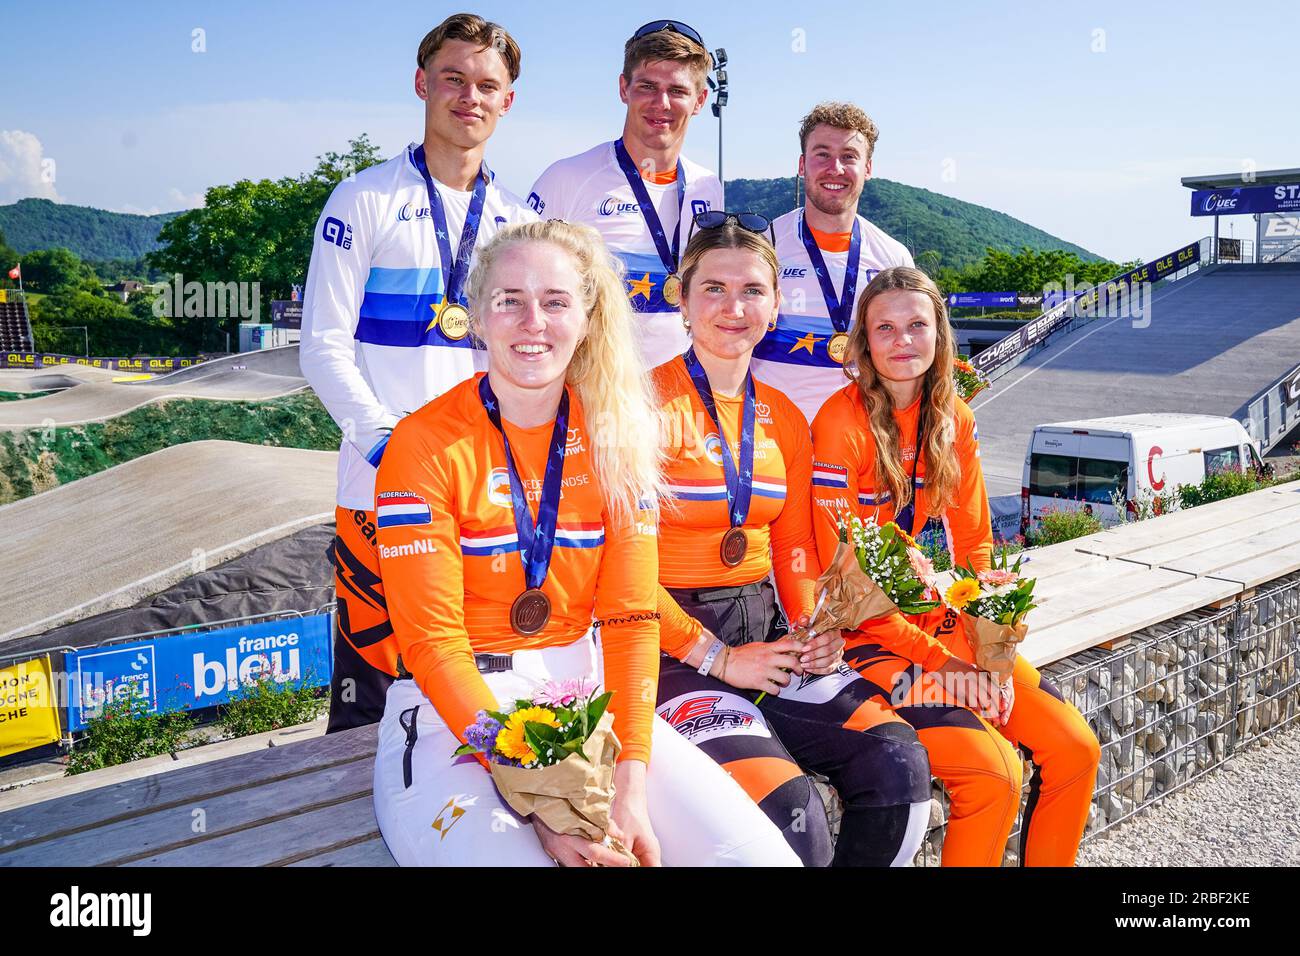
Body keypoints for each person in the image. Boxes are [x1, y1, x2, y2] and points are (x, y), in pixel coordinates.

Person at [370, 220, 801, 866]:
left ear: (586, 316)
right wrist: (542, 794)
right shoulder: (422, 445)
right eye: (509, 299)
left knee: (761, 861)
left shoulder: (617, 438)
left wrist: (627, 781)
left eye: (555, 301)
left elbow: (630, 620)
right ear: (478, 317)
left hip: (588, 707)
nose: (532, 321)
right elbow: (433, 647)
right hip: (453, 728)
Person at [652, 215, 934, 867]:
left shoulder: (783, 416)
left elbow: (795, 552)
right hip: (672, 648)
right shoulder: (637, 406)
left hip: (768, 632)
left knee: (899, 765)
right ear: (682, 298)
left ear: (776, 305)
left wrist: (813, 622)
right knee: (790, 814)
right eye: (713, 289)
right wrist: (719, 659)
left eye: (752, 290)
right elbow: (617, 573)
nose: (733, 307)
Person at [811, 266, 1101, 866]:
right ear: (863, 341)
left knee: (1075, 748)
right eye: (885, 327)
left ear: (940, 335)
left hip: (935, 625)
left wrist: (991, 654)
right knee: (994, 778)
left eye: (917, 325)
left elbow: (975, 548)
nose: (902, 340)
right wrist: (951, 667)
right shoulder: (839, 425)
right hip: (864, 638)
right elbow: (852, 588)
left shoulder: (954, 418)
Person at [300, 13, 538, 733]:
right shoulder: (362, 199)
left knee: (476, 700)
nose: (470, 96)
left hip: (483, 498)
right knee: (372, 703)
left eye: (487, 85)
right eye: (453, 79)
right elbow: (322, 346)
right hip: (381, 491)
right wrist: (391, 448)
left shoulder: (518, 220)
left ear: (507, 101)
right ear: (421, 84)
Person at [527, 19, 722, 369]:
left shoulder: (707, 187)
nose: (661, 103)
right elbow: (522, 285)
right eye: (647, 86)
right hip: (594, 390)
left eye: (677, 91)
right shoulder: (568, 177)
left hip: (683, 392)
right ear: (623, 88)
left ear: (700, 100)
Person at [752, 102, 914, 422]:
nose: (835, 168)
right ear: (802, 164)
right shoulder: (763, 245)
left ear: (868, 168)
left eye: (849, 156)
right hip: (771, 435)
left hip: (861, 439)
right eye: (822, 154)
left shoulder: (894, 259)